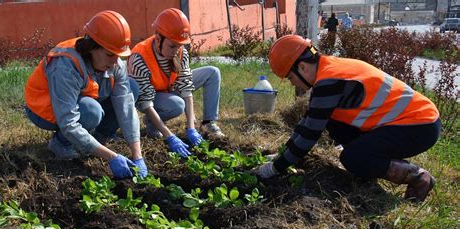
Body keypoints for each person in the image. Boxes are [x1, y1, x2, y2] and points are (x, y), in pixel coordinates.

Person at [253, 35, 440, 203]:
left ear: (302, 66)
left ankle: (418, 177)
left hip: (420, 126)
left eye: (290, 77)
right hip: (412, 121)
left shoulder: (329, 81)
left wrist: (274, 169)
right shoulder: (330, 68)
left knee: (352, 158)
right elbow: (308, 122)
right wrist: (282, 154)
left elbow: (309, 136)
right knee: (334, 122)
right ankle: (369, 168)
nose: (293, 83)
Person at [24, 10, 147, 179]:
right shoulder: (66, 64)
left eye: (118, 55)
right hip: (44, 109)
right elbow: (68, 122)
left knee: (131, 88)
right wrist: (111, 157)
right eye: (110, 54)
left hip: (83, 100)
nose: (115, 62)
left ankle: (97, 138)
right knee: (91, 111)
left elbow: (126, 107)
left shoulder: (114, 63)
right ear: (92, 47)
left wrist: (137, 155)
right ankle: (61, 143)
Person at [128, 8, 224, 158]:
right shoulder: (139, 58)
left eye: (180, 45)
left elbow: (186, 88)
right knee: (177, 105)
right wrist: (169, 135)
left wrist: (191, 127)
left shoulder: (180, 51)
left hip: (168, 88)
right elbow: (145, 102)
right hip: (151, 98)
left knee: (213, 72)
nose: (176, 50)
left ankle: (208, 123)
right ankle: (152, 123)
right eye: (172, 46)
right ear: (158, 39)